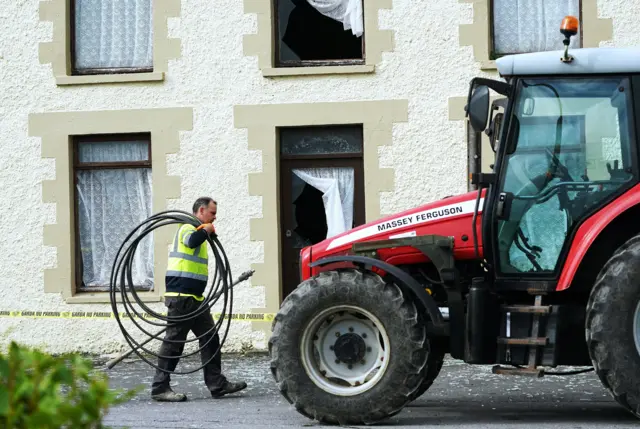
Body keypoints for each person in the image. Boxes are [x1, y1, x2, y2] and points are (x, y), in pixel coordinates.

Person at [151, 197, 247, 402]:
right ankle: (160, 387)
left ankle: (217, 384)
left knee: (210, 338)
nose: (215, 217)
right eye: (212, 213)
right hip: (181, 297)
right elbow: (191, 241)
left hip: (195, 298)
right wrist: (206, 231)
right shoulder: (187, 227)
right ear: (201, 210)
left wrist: (207, 232)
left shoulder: (199, 231)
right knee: (174, 343)